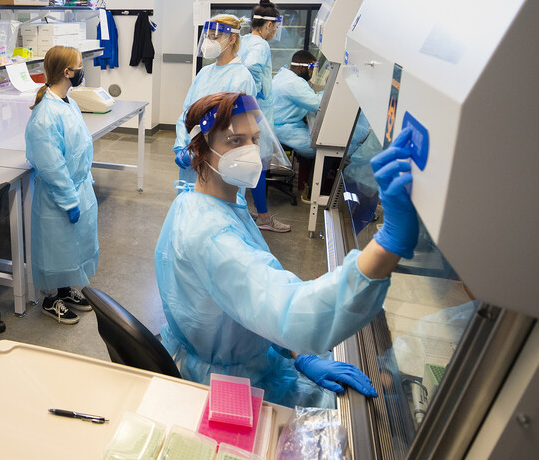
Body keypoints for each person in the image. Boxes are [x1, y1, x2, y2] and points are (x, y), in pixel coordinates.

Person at [155, 91, 419, 408]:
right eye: (235, 141)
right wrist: (388, 243)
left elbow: (256, 294)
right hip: (233, 385)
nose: (251, 151)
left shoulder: (206, 200)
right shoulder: (212, 237)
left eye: (254, 139)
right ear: (200, 150)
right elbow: (290, 311)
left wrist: (298, 353)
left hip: (251, 353)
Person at [24, 46, 99, 325]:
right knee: (55, 248)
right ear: (67, 72)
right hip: (59, 195)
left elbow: (78, 148)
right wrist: (69, 200)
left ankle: (66, 289)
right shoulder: (45, 115)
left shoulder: (68, 102)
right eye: (79, 66)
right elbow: (51, 166)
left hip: (78, 187)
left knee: (71, 246)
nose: (82, 70)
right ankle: (49, 299)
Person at [172, 14, 258, 186]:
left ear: (232, 38)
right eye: (207, 36)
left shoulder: (241, 77)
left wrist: (204, 150)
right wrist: (182, 145)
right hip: (192, 153)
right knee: (191, 204)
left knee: (217, 205)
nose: (208, 42)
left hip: (220, 158)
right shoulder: (205, 72)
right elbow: (187, 110)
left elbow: (236, 127)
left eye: (214, 37)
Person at [237, 0, 290, 232]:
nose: (275, 32)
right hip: (257, 113)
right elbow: (252, 69)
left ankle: (240, 207)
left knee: (246, 162)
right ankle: (264, 217)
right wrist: (254, 93)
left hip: (247, 111)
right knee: (258, 164)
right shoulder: (261, 44)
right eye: (275, 27)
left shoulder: (245, 40)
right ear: (269, 24)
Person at [272, 49, 324, 203]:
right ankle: (312, 194)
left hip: (280, 123)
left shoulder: (285, 75)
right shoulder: (293, 83)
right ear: (302, 68)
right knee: (319, 146)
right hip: (282, 128)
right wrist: (326, 93)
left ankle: (311, 187)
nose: (311, 73)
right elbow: (317, 104)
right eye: (311, 69)